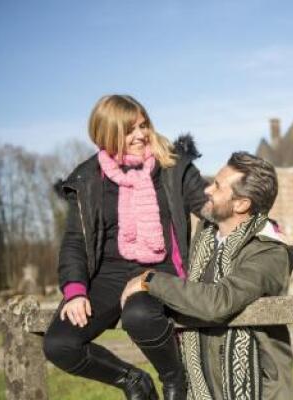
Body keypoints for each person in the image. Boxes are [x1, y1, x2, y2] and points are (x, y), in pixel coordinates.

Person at [43, 94, 207, 400]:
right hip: (107, 274)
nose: (141, 135)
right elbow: (75, 242)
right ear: (108, 134)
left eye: (143, 125)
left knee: (140, 316)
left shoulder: (172, 164)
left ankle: (174, 379)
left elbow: (210, 205)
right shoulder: (87, 177)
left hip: (158, 268)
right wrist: (75, 291)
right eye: (130, 130)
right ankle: (133, 381)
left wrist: (252, 216)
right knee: (59, 345)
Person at [121, 151, 293, 400]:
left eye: (217, 186)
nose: (207, 190)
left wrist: (150, 280)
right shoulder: (206, 236)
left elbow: (218, 301)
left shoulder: (269, 251)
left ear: (241, 204)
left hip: (258, 391)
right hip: (201, 389)